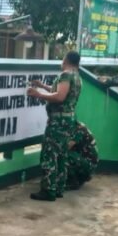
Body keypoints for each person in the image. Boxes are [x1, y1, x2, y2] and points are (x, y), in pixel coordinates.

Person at [27, 51, 82, 201]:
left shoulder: (66, 75)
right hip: (68, 120)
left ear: (66, 60)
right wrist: (42, 86)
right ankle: (58, 188)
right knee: (61, 154)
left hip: (58, 121)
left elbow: (59, 96)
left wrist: (38, 94)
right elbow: (59, 90)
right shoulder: (76, 76)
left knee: (49, 154)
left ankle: (48, 190)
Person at [66, 121, 99, 190]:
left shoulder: (78, 128)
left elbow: (67, 147)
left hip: (88, 166)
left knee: (64, 155)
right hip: (83, 160)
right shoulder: (73, 125)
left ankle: (74, 181)